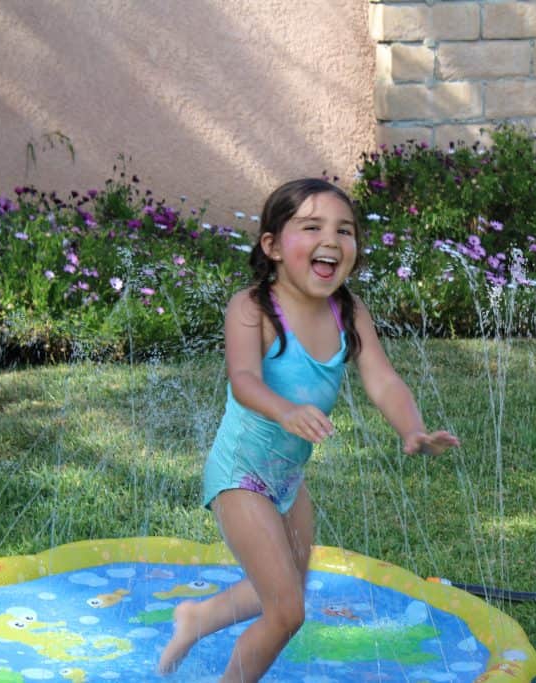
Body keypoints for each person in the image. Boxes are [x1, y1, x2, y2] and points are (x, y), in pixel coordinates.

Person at [157, 178, 460, 681]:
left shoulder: (348, 311)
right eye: (312, 227)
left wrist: (413, 429)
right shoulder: (253, 309)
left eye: (344, 230)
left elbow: (383, 381)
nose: (332, 240)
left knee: (285, 587)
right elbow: (244, 380)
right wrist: (285, 410)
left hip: (287, 478)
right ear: (272, 246)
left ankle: (198, 617)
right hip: (241, 475)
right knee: (287, 611)